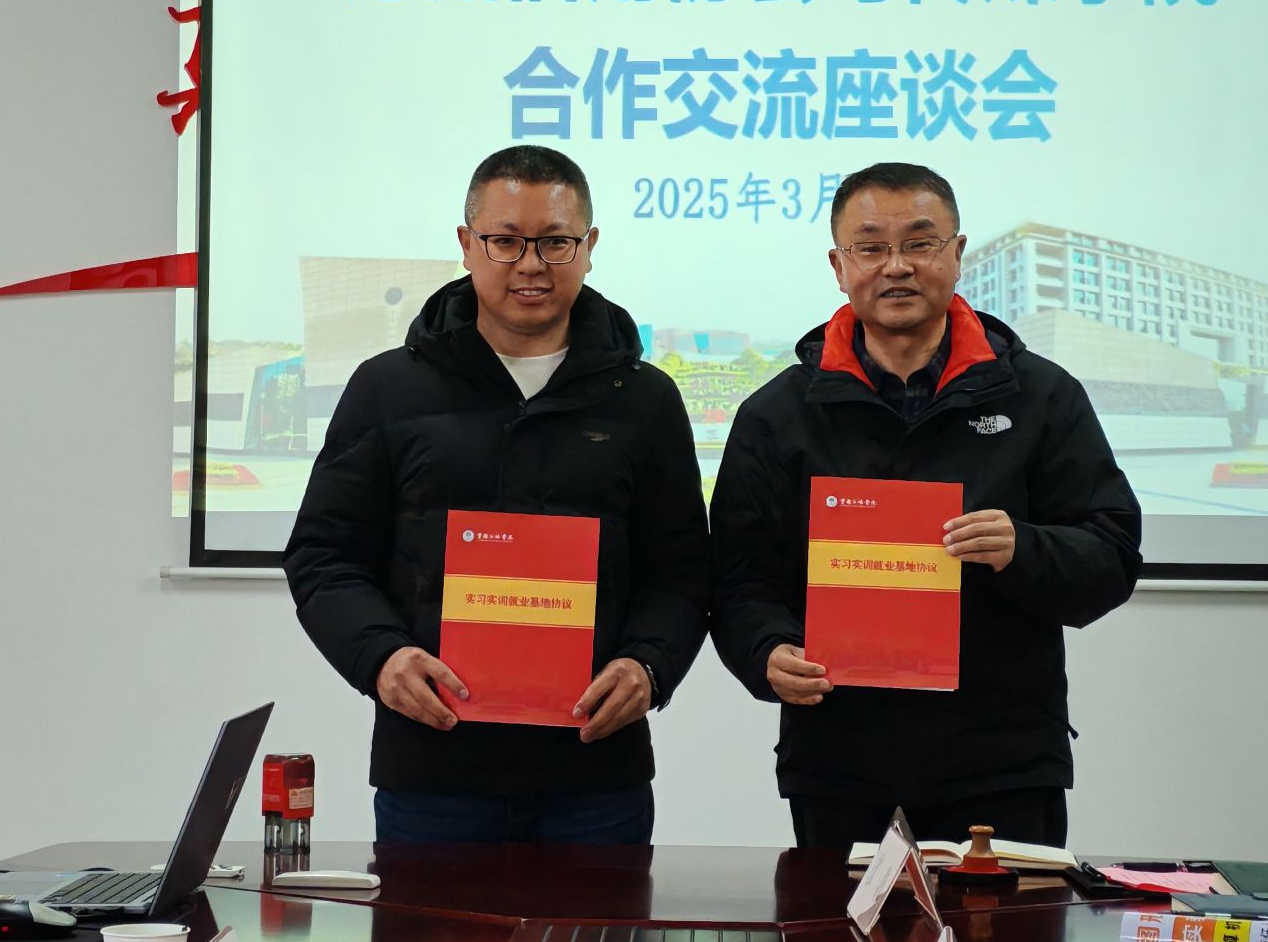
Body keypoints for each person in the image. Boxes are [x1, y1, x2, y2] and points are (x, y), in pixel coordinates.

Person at [709, 162, 1142, 853]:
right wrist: (767, 651)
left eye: (920, 243)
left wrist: (1024, 548)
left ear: (958, 254)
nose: (897, 266)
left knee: (1008, 931)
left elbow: (1112, 557)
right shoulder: (778, 414)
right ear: (839, 266)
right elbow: (739, 578)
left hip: (1001, 764)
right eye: (870, 247)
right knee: (833, 929)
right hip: (839, 762)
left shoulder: (1040, 396)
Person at [284, 146, 710, 844]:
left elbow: (682, 569)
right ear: (466, 244)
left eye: (555, 242)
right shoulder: (388, 388)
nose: (531, 264)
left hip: (595, 775)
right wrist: (381, 658)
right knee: (425, 925)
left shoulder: (644, 399)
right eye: (505, 241)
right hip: (433, 770)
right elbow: (324, 556)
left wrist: (649, 665)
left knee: (602, 925)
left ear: (589, 247)